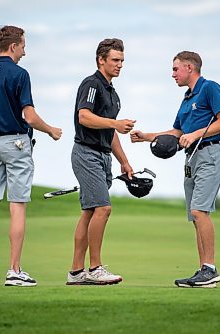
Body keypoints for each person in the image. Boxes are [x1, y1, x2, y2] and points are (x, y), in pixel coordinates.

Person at [0, 25, 62, 287]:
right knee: (17, 206)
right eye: (23, 46)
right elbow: (28, 116)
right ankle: (14, 271)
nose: (25, 52)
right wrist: (51, 130)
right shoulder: (20, 74)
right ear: (14, 46)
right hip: (16, 143)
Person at [130, 51, 220, 288]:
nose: (172, 74)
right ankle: (204, 271)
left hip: (209, 153)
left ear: (189, 67)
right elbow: (175, 132)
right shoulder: (187, 98)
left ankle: (210, 269)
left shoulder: (209, 88)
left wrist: (195, 134)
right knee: (195, 217)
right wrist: (147, 137)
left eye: (175, 69)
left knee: (199, 211)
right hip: (191, 159)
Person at [66, 38, 135, 285]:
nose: (120, 65)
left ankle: (76, 272)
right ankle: (95, 268)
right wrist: (115, 123)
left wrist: (124, 162)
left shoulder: (112, 93)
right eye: (115, 60)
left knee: (89, 212)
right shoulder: (92, 84)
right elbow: (84, 117)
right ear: (101, 60)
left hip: (103, 155)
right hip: (87, 153)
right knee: (103, 209)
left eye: (122, 61)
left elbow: (110, 132)